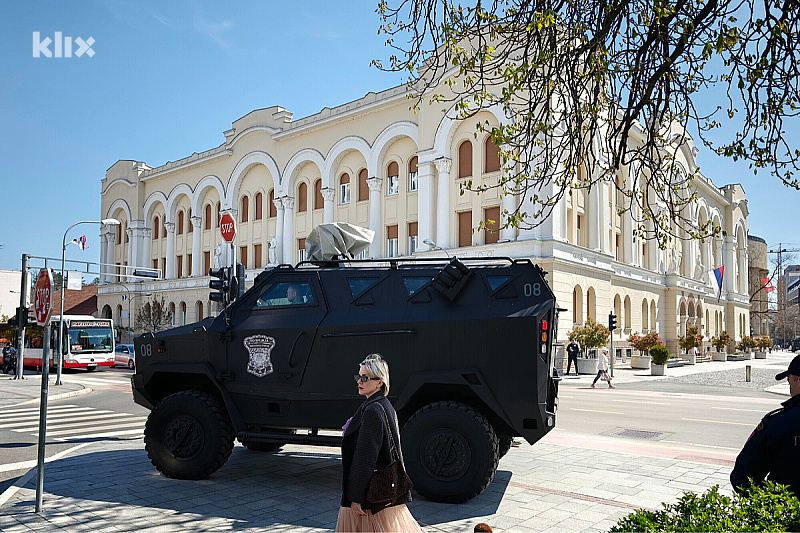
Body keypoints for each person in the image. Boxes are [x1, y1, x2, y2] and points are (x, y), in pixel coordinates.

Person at [337, 353, 424, 532]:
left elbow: (365, 459)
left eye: (364, 378)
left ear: (380, 382)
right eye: (358, 376)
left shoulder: (372, 411)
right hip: (381, 493)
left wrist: (355, 497)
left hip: (369, 496)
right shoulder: (384, 405)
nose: (359, 381)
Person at [730, 354, 800, 495]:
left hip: (786, 511)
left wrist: (771, 501)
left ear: (798, 380)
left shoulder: (778, 423)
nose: (790, 388)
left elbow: (742, 478)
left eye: (789, 382)